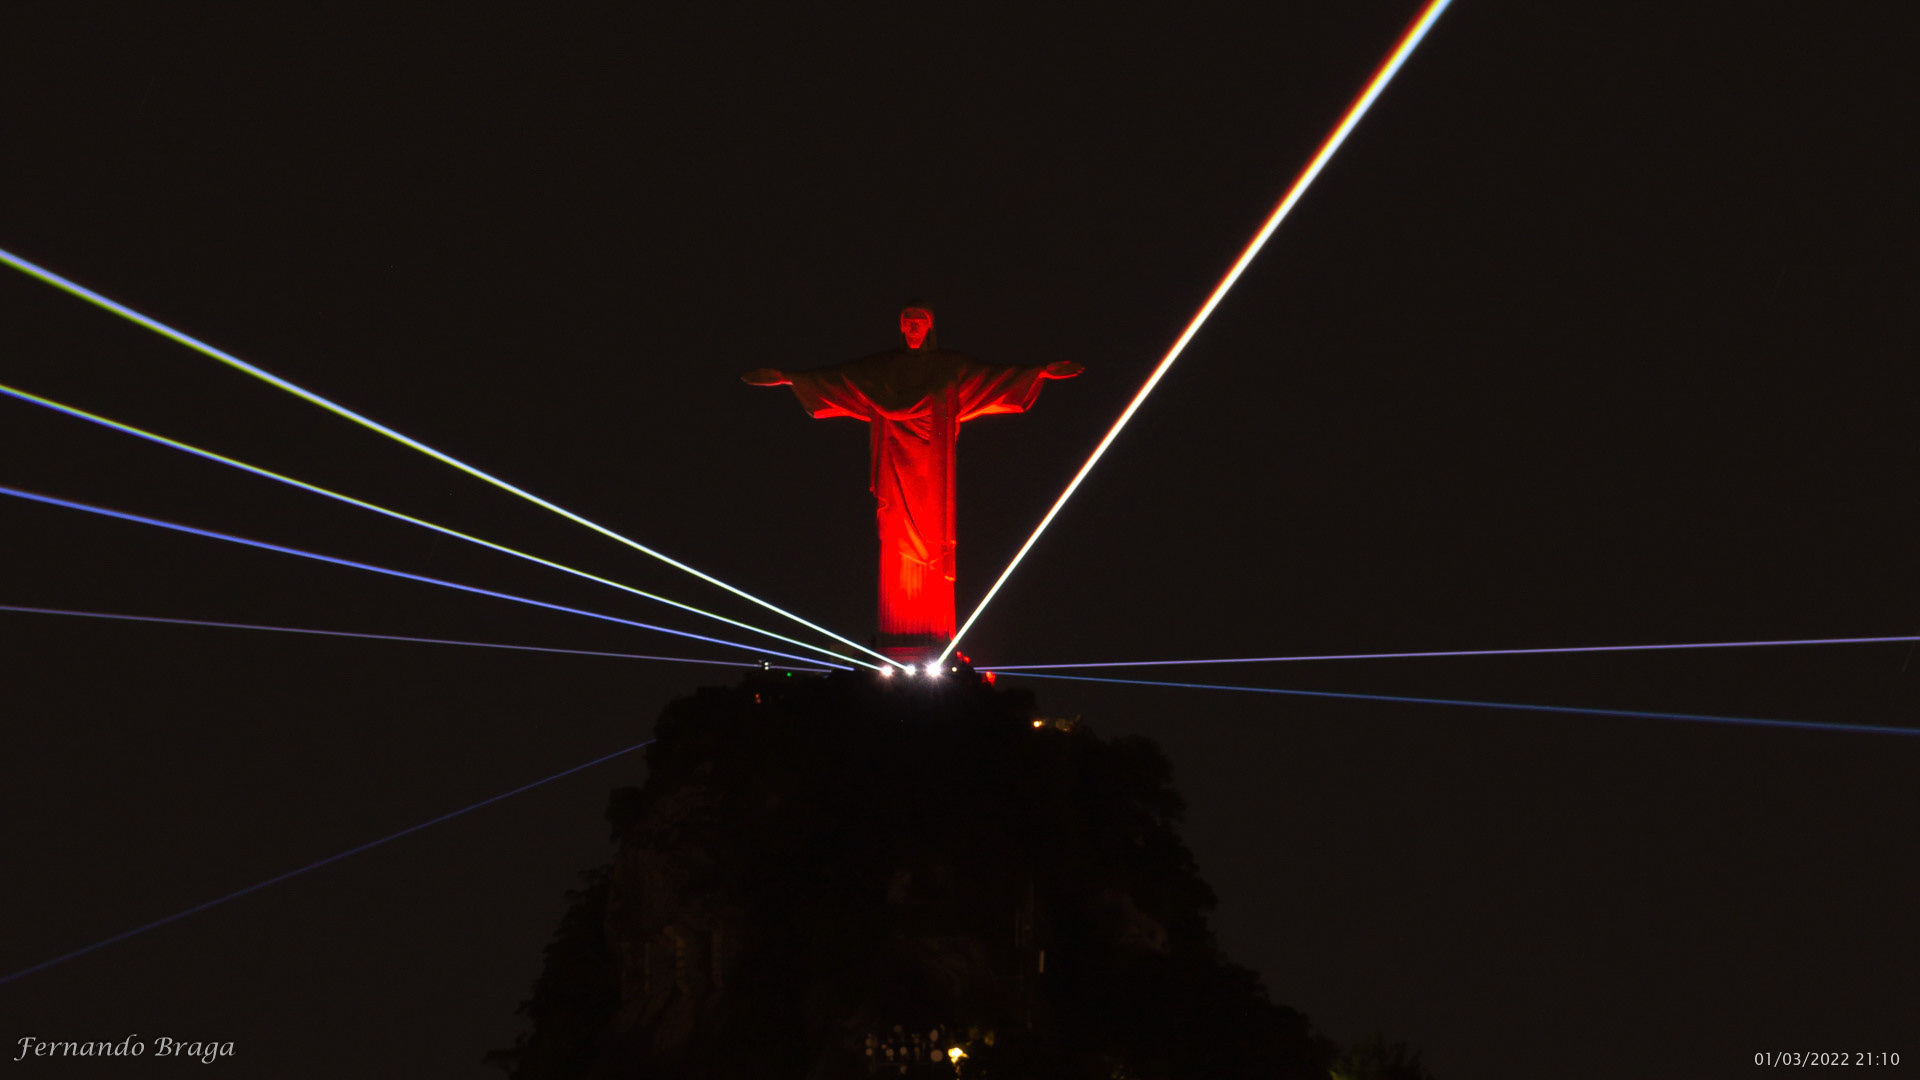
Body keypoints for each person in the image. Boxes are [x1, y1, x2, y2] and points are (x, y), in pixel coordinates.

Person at [744, 304, 1082, 661]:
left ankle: (933, 639)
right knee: (894, 536)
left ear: (930, 327)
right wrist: (789, 377)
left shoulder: (951, 367)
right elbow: (839, 380)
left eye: (919, 322)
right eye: (907, 323)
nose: (913, 328)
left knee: (932, 544)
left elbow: (993, 378)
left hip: (932, 475)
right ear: (901, 327)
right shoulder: (882, 369)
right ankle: (897, 640)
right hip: (894, 468)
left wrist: (1039, 372)